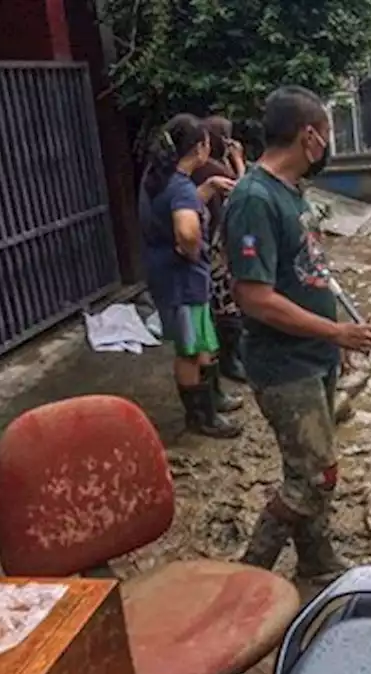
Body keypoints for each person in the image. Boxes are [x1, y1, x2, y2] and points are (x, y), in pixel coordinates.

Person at [225, 85, 371, 580]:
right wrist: (335, 332)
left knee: (316, 468)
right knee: (313, 477)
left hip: (313, 355)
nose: (328, 145)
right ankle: (249, 579)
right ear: (309, 136)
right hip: (283, 364)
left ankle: (315, 561)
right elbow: (255, 297)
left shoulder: (291, 193)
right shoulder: (254, 199)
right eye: (327, 135)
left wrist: (336, 339)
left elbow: (309, 273)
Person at [138, 114, 243, 438]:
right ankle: (201, 418)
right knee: (189, 348)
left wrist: (208, 188)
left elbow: (173, 211)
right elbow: (185, 231)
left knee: (200, 340)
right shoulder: (180, 188)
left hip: (168, 274)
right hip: (181, 278)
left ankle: (212, 400)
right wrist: (193, 250)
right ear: (200, 148)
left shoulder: (159, 179)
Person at [193, 115, 249, 385]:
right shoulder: (211, 170)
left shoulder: (210, 166)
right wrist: (239, 160)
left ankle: (230, 358)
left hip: (215, 240)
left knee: (223, 306)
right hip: (215, 245)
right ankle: (230, 361)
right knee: (227, 306)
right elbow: (244, 192)